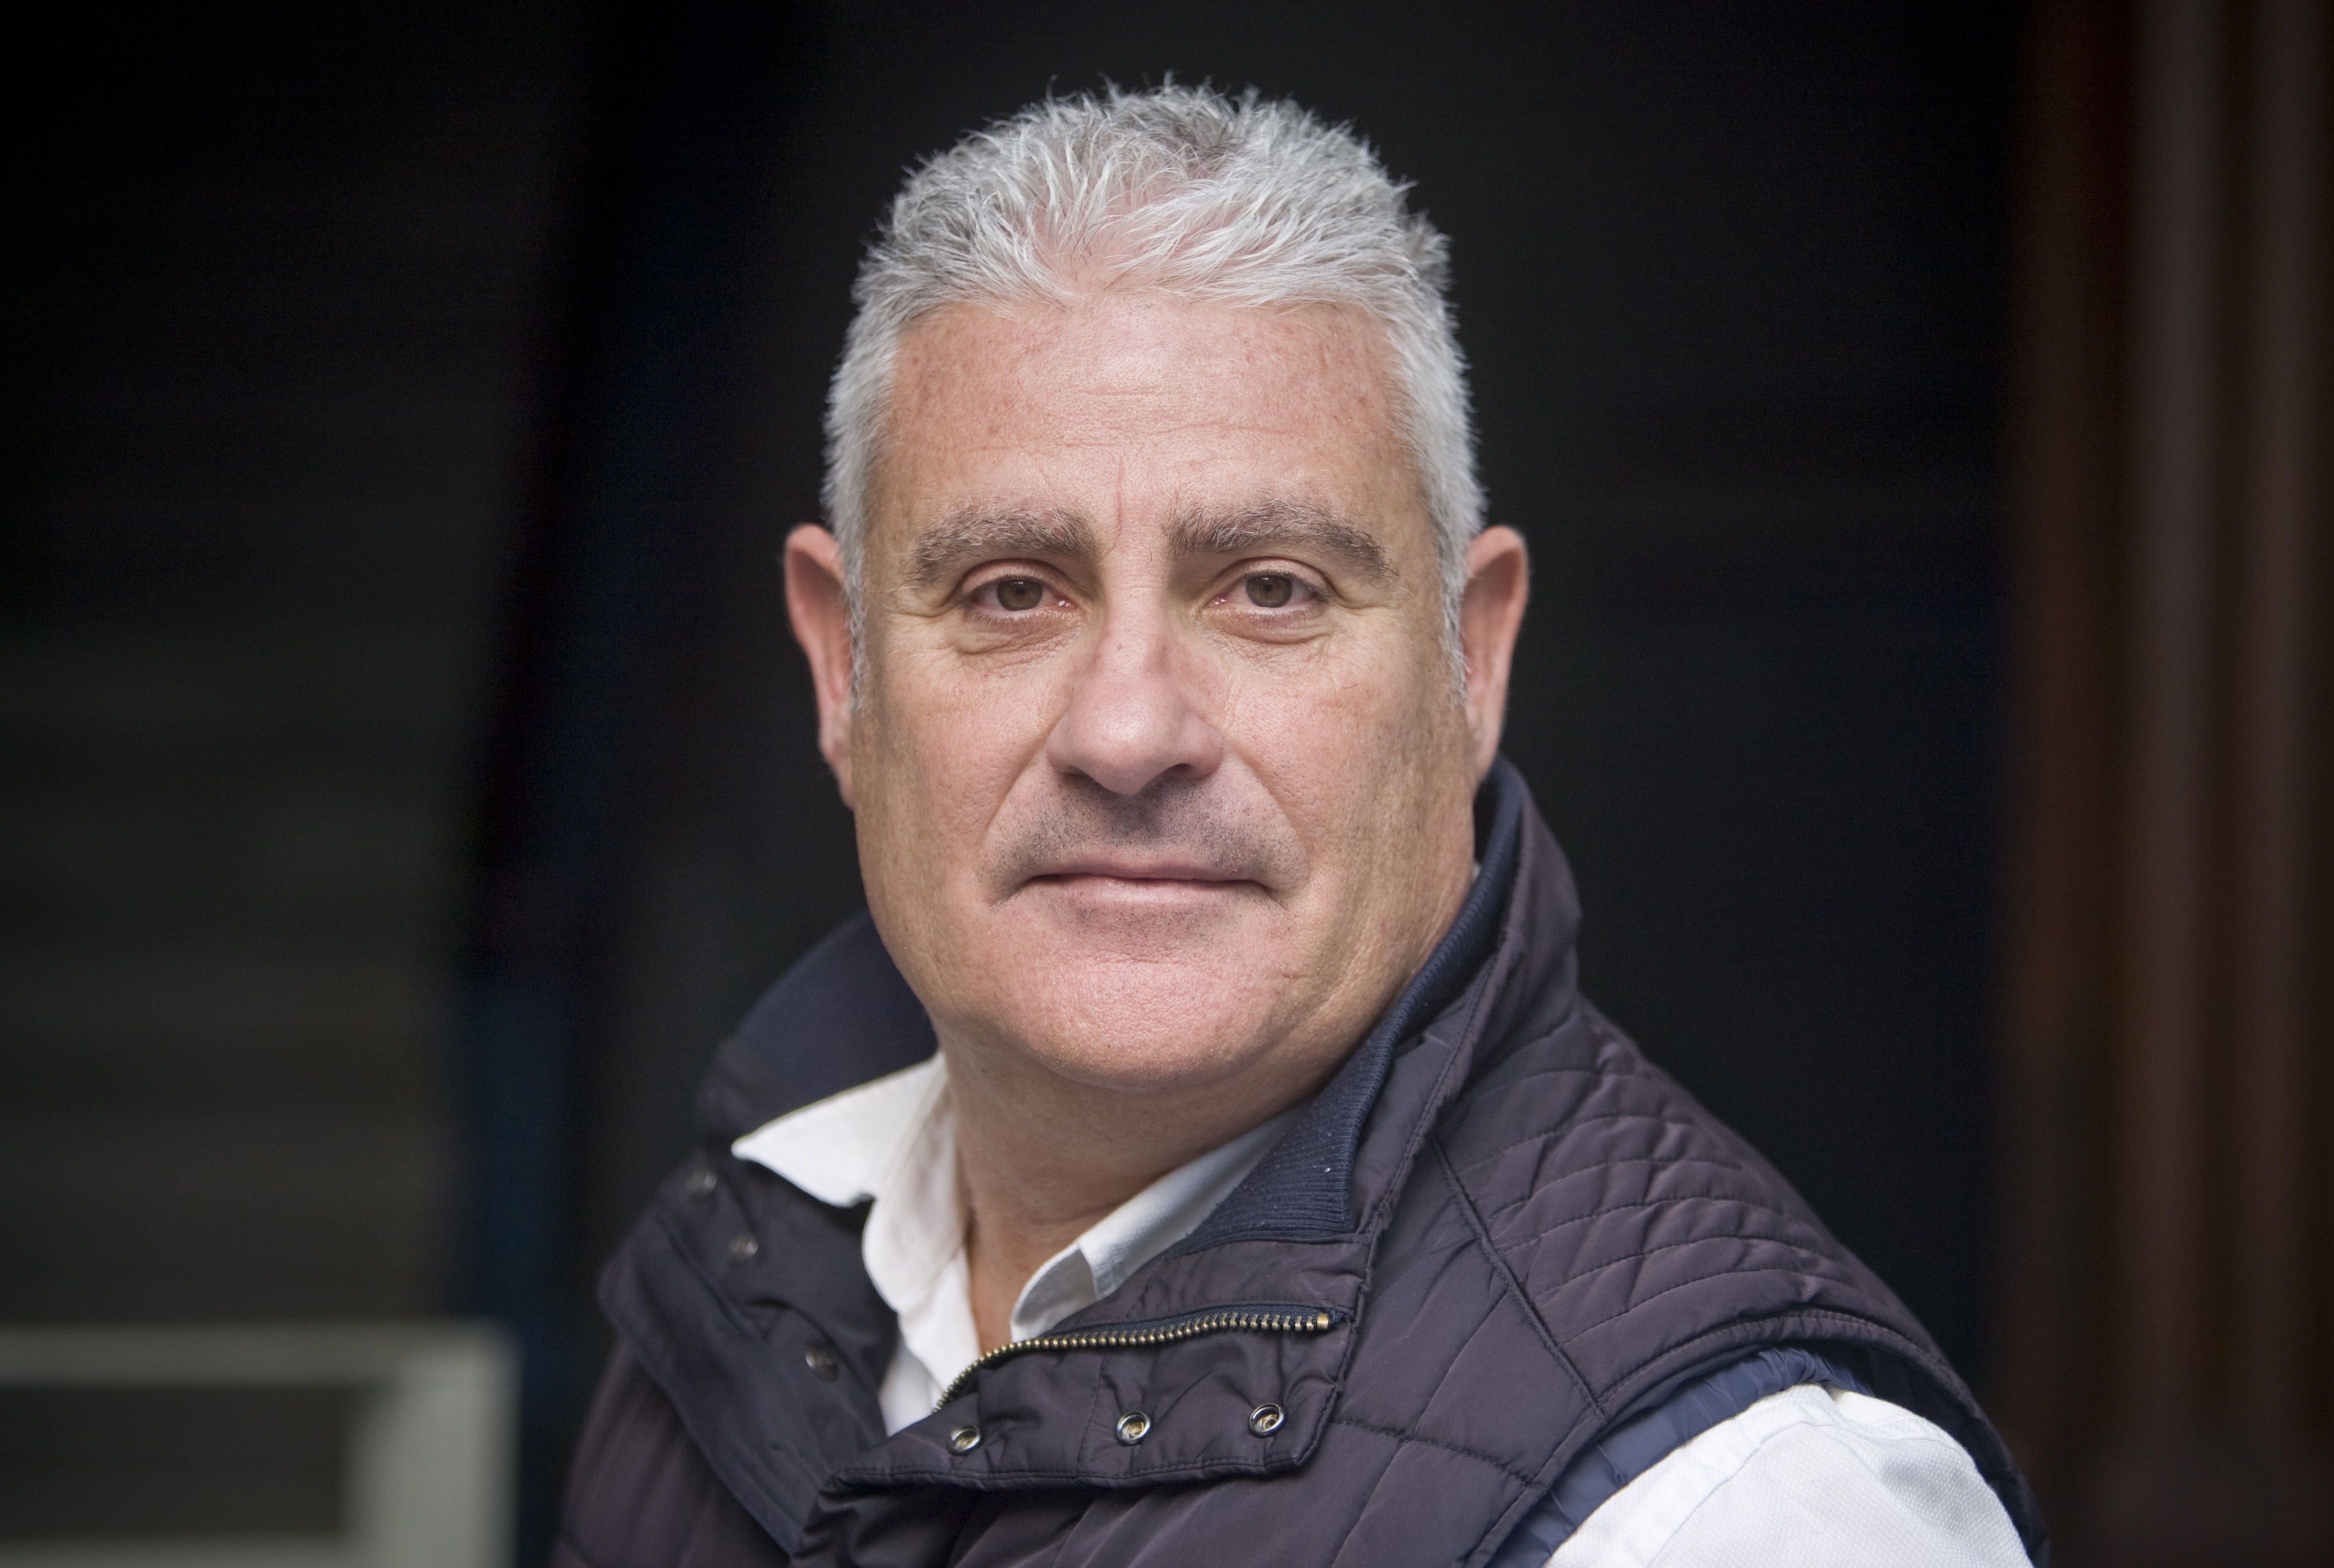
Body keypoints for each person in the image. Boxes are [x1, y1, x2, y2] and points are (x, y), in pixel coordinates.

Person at [555, 85, 2046, 1567]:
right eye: (1012, 590)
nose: (1126, 732)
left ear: (1472, 662)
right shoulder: (732, 1289)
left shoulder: (1735, 1513)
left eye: (1271, 588)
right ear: (843, 669)